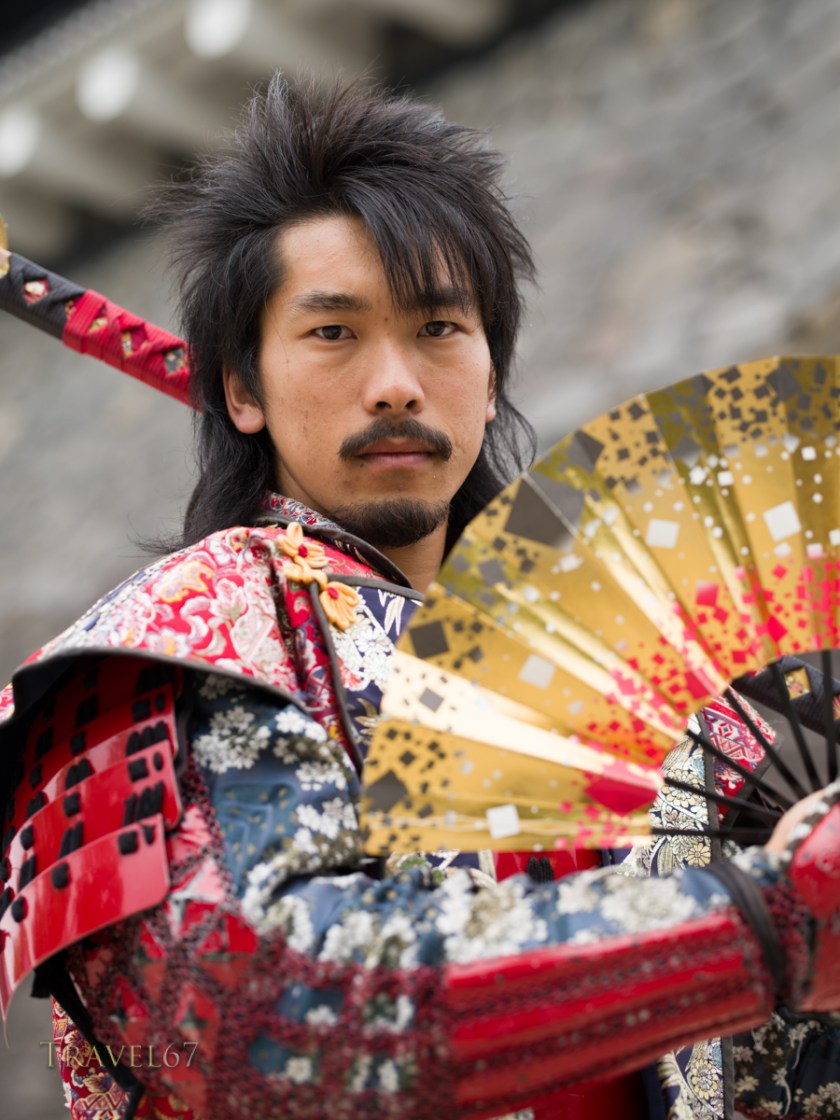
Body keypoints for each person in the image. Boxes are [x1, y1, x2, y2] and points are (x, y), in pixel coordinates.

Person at [1, 75, 839, 1120]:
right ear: (241, 388)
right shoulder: (185, 637)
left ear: (490, 379)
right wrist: (770, 919)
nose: (395, 380)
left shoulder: (655, 695)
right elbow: (260, 1017)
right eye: (333, 333)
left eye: (439, 328)